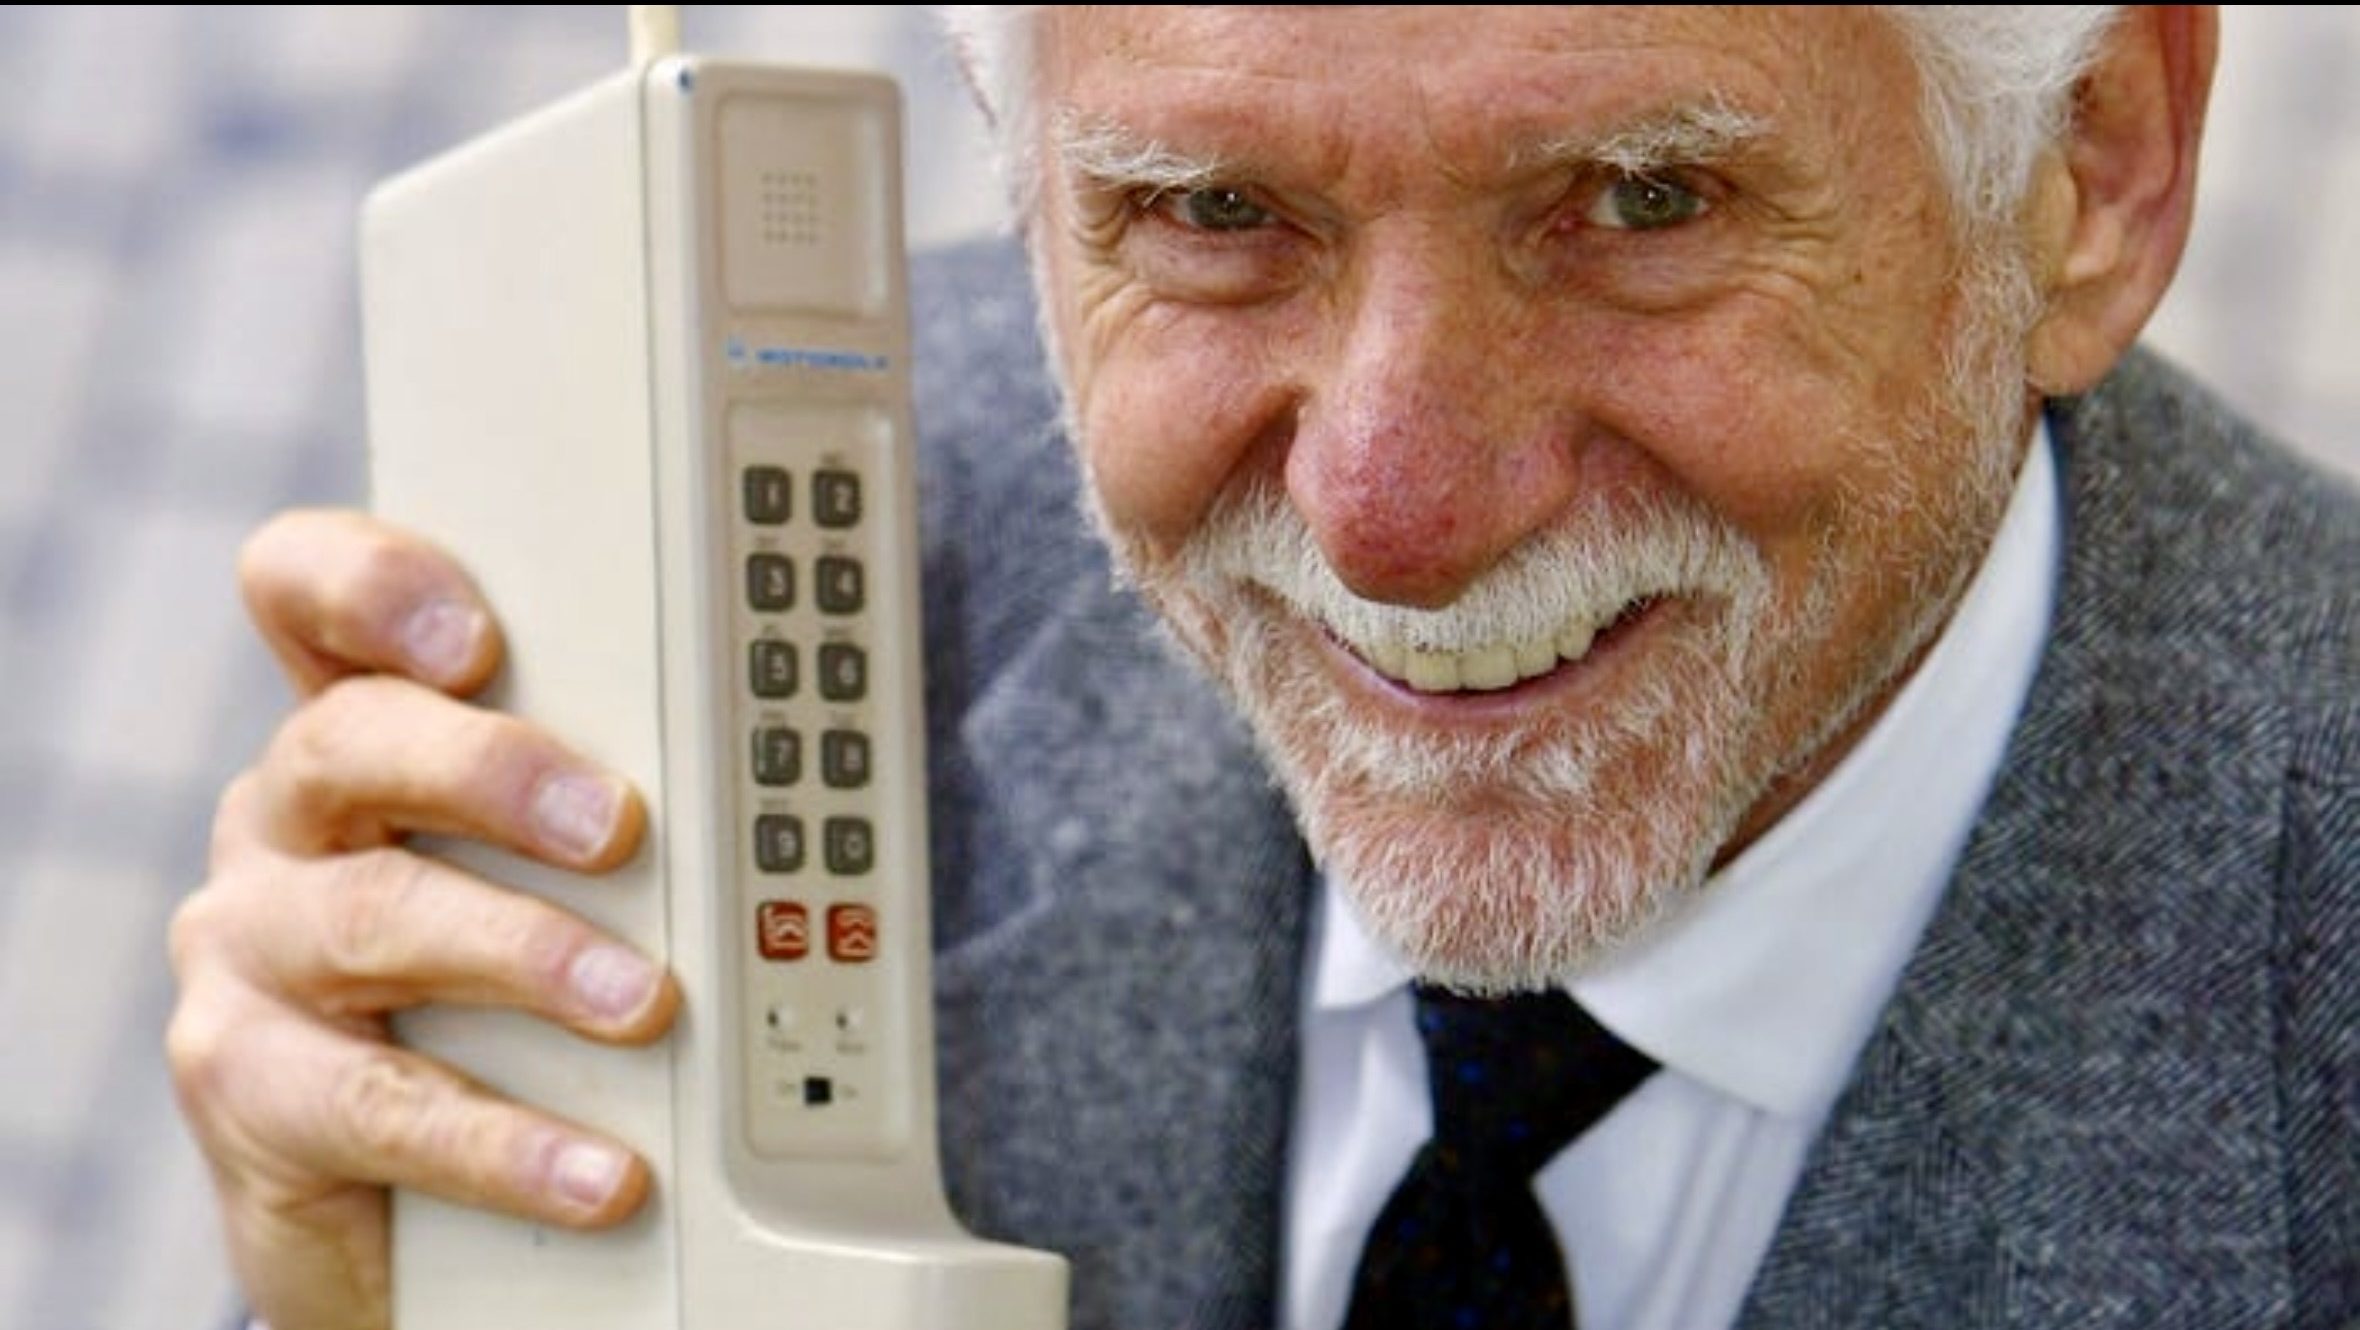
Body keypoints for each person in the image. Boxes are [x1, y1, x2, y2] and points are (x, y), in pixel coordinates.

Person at [166, 6, 2357, 1329]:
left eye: (1639, 198)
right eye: (1216, 214)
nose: (1392, 509)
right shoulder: (810, 587)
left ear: (2094, 164)